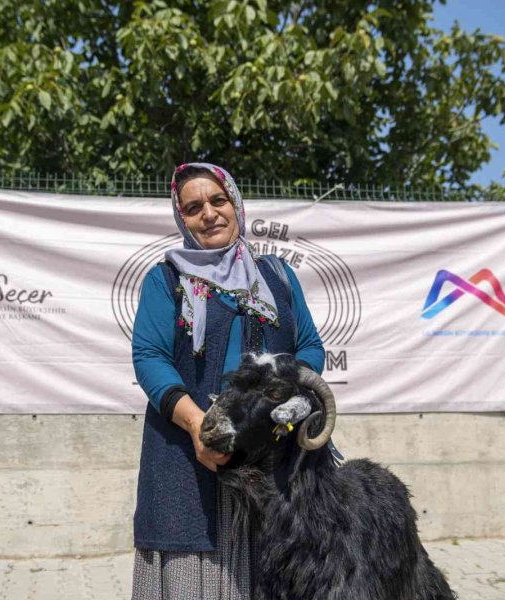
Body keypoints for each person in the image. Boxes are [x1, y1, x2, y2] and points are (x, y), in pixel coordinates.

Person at [130, 162, 325, 599]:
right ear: (182, 218)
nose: (209, 214)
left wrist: (286, 396)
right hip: (190, 455)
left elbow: (310, 347)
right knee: (193, 571)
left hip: (272, 457)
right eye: (194, 207)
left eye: (218, 200)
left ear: (236, 204)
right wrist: (200, 426)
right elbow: (149, 356)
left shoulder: (275, 277)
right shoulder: (167, 281)